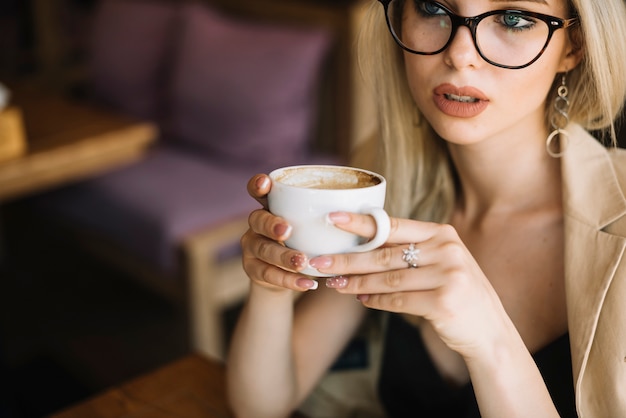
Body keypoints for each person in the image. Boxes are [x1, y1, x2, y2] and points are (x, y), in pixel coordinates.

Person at [226, 0, 626, 416]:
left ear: (573, 47)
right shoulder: (383, 182)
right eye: (432, 7)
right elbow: (262, 406)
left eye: (513, 19)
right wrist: (271, 287)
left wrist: (491, 342)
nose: (459, 53)